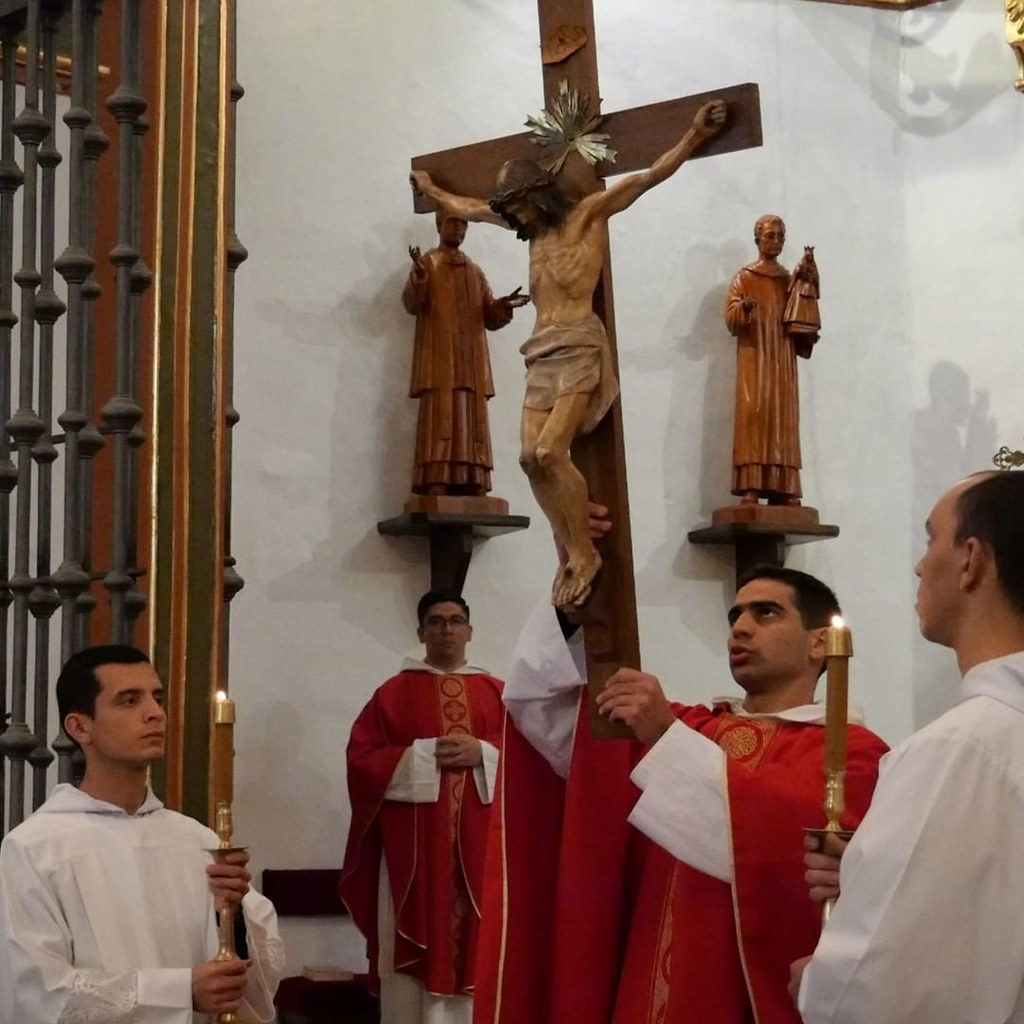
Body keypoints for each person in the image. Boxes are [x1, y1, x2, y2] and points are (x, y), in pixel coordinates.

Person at [474, 534, 888, 1024]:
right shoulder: (692, 728)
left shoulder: (854, 754)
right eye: (735, 616)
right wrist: (573, 599)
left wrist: (664, 734)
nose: (741, 628)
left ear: (821, 642)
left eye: (766, 613)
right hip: (645, 985)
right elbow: (546, 712)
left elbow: (781, 850)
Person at [411, 98, 727, 610]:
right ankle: (570, 552)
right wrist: (431, 191)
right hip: (541, 350)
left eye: (517, 206)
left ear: (536, 193)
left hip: (579, 340)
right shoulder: (531, 235)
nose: (512, 218)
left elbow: (646, 178)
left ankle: (585, 554)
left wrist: (694, 135)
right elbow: (468, 207)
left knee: (550, 452)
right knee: (526, 457)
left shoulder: (586, 217)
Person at [793, 470, 1024, 1023]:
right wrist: (881, 876)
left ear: (972, 560)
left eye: (931, 539)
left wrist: (817, 984)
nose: (921, 566)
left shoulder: (964, 751)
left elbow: (877, 996)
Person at [0, 645, 283, 1024]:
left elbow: (259, 979)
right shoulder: (34, 849)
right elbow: (37, 993)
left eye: (157, 697)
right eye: (129, 700)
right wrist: (180, 992)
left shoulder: (199, 842)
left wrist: (228, 919)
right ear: (79, 727)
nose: (155, 714)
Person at [340, 589, 504, 1024]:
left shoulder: (498, 694)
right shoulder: (392, 695)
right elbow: (361, 761)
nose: (446, 629)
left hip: (481, 853)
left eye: (455, 620)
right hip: (414, 859)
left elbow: (530, 757)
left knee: (482, 945)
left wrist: (484, 753)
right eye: (436, 621)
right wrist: (421, 756)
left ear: (470, 631)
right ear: (420, 632)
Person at [402, 210, 528, 497]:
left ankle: (474, 479)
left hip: (471, 361)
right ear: (439, 225)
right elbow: (411, 304)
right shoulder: (429, 264)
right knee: (441, 416)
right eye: (453, 223)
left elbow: (489, 315)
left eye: (463, 224)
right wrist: (419, 277)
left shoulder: (475, 271)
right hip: (440, 357)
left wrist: (503, 306)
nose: (459, 229)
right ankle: (437, 480)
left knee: (472, 419)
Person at [724, 215, 820, 507]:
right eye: (769, 236)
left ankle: (785, 486)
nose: (775, 241)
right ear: (757, 239)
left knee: (783, 419)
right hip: (755, 357)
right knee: (754, 416)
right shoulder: (745, 277)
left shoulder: (788, 281)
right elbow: (730, 318)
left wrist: (810, 276)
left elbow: (803, 308)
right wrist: (744, 308)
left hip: (781, 361)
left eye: (780, 236)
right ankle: (751, 485)